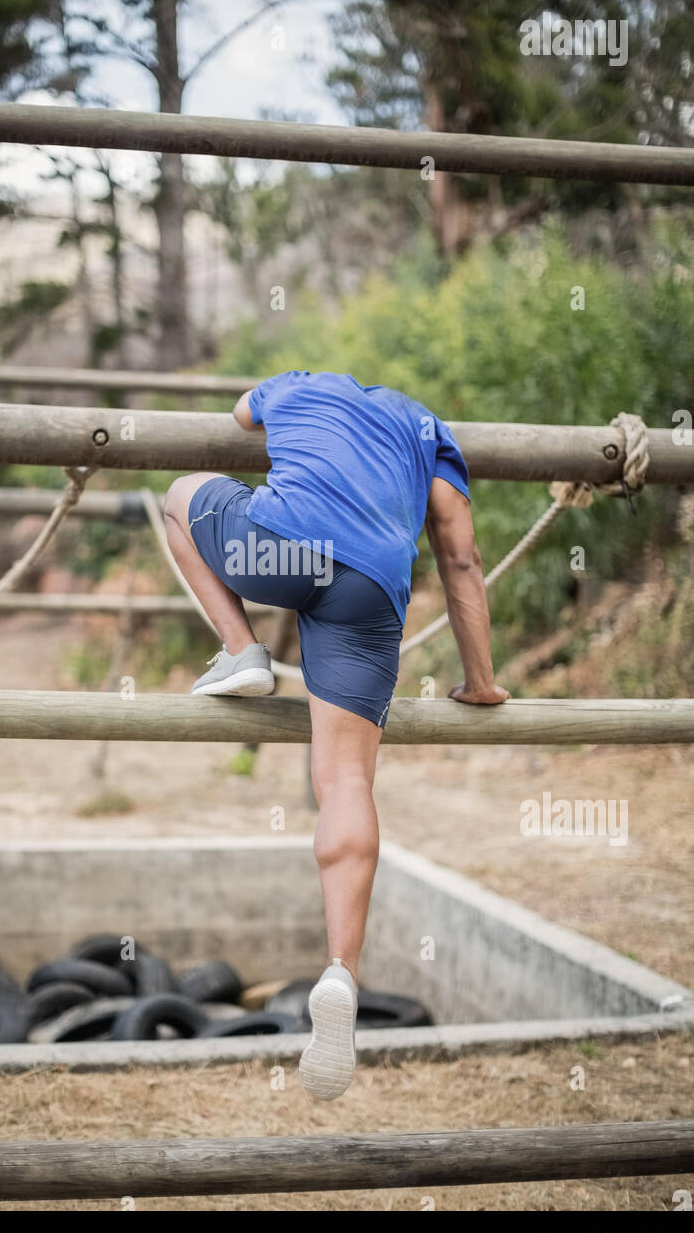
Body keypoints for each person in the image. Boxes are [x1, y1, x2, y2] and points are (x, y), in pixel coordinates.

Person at [164, 369, 509, 1100]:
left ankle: (241, 651)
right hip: (371, 583)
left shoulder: (297, 384)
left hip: (276, 550)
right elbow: (459, 554)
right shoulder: (426, 426)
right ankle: (341, 971)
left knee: (179, 497)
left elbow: (237, 413)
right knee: (347, 780)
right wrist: (480, 681)